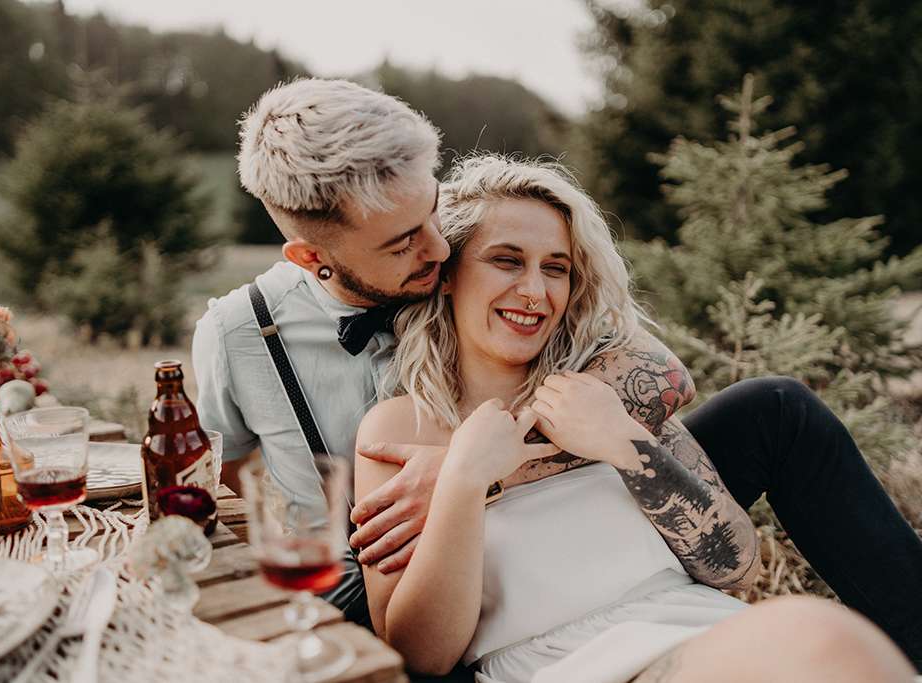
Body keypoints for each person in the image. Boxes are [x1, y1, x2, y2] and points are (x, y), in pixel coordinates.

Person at [192, 78, 922, 669]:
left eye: (434, 218)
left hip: (669, 599)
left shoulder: (560, 353)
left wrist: (522, 451)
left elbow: (664, 379)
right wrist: (460, 480)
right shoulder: (244, 338)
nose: (436, 248)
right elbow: (226, 477)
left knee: (778, 413)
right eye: (406, 241)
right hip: (390, 597)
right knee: (817, 641)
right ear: (314, 259)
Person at [354, 153, 916, 682]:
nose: (534, 291)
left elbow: (735, 567)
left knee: (830, 648)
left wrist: (625, 443)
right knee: (821, 635)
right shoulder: (398, 431)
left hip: (704, 626)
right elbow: (421, 656)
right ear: (447, 273)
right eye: (507, 260)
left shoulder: (607, 394)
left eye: (557, 268)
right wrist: (464, 479)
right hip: (581, 666)